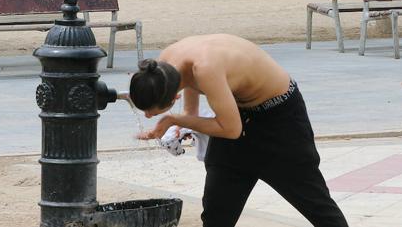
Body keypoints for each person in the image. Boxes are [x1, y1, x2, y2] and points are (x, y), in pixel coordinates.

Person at [130, 34, 348, 227]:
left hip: (279, 120)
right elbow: (192, 108)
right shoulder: (165, 65)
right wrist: (181, 122)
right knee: (217, 214)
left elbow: (231, 129)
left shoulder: (205, 68)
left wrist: (174, 119)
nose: (149, 117)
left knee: (317, 206)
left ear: (172, 97)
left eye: (153, 112)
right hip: (237, 114)